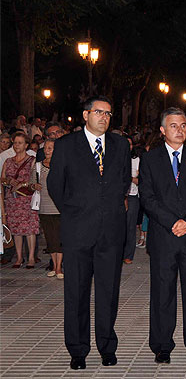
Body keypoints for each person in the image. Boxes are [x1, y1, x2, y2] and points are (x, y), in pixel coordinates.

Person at [47, 96, 131, 370]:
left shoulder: (120, 145)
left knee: (108, 293)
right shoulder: (66, 145)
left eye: (108, 113)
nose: (104, 118)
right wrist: (74, 213)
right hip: (77, 232)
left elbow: (122, 183)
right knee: (76, 293)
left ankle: (107, 346)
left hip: (110, 232)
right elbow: (56, 186)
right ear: (85, 115)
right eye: (98, 112)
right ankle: (78, 350)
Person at [139, 108, 186, 362]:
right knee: (162, 293)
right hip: (163, 236)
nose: (179, 130)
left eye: (183, 125)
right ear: (162, 130)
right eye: (173, 126)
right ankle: (161, 346)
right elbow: (147, 198)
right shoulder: (150, 159)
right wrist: (173, 222)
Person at [1, 131, 39, 268]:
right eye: (15, 143)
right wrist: (8, 181)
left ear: (26, 145)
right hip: (12, 199)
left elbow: (35, 179)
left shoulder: (31, 160)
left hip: (26, 198)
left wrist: (22, 184)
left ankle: (31, 258)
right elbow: (2, 179)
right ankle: (18, 258)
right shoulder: (8, 161)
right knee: (16, 229)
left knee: (29, 229)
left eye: (20, 143)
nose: (17, 145)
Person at [30, 139, 63, 278]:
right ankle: (54, 265)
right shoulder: (37, 166)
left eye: (50, 148)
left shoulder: (61, 166)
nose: (47, 150)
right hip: (44, 207)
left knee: (60, 238)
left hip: (59, 207)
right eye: (46, 148)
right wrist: (34, 186)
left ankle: (58, 268)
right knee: (50, 239)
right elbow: (32, 183)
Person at [123, 137, 140, 264]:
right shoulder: (114, 158)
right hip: (118, 197)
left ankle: (128, 254)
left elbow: (141, 181)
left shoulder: (136, 160)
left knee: (130, 226)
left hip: (133, 195)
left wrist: (129, 177)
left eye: (130, 144)